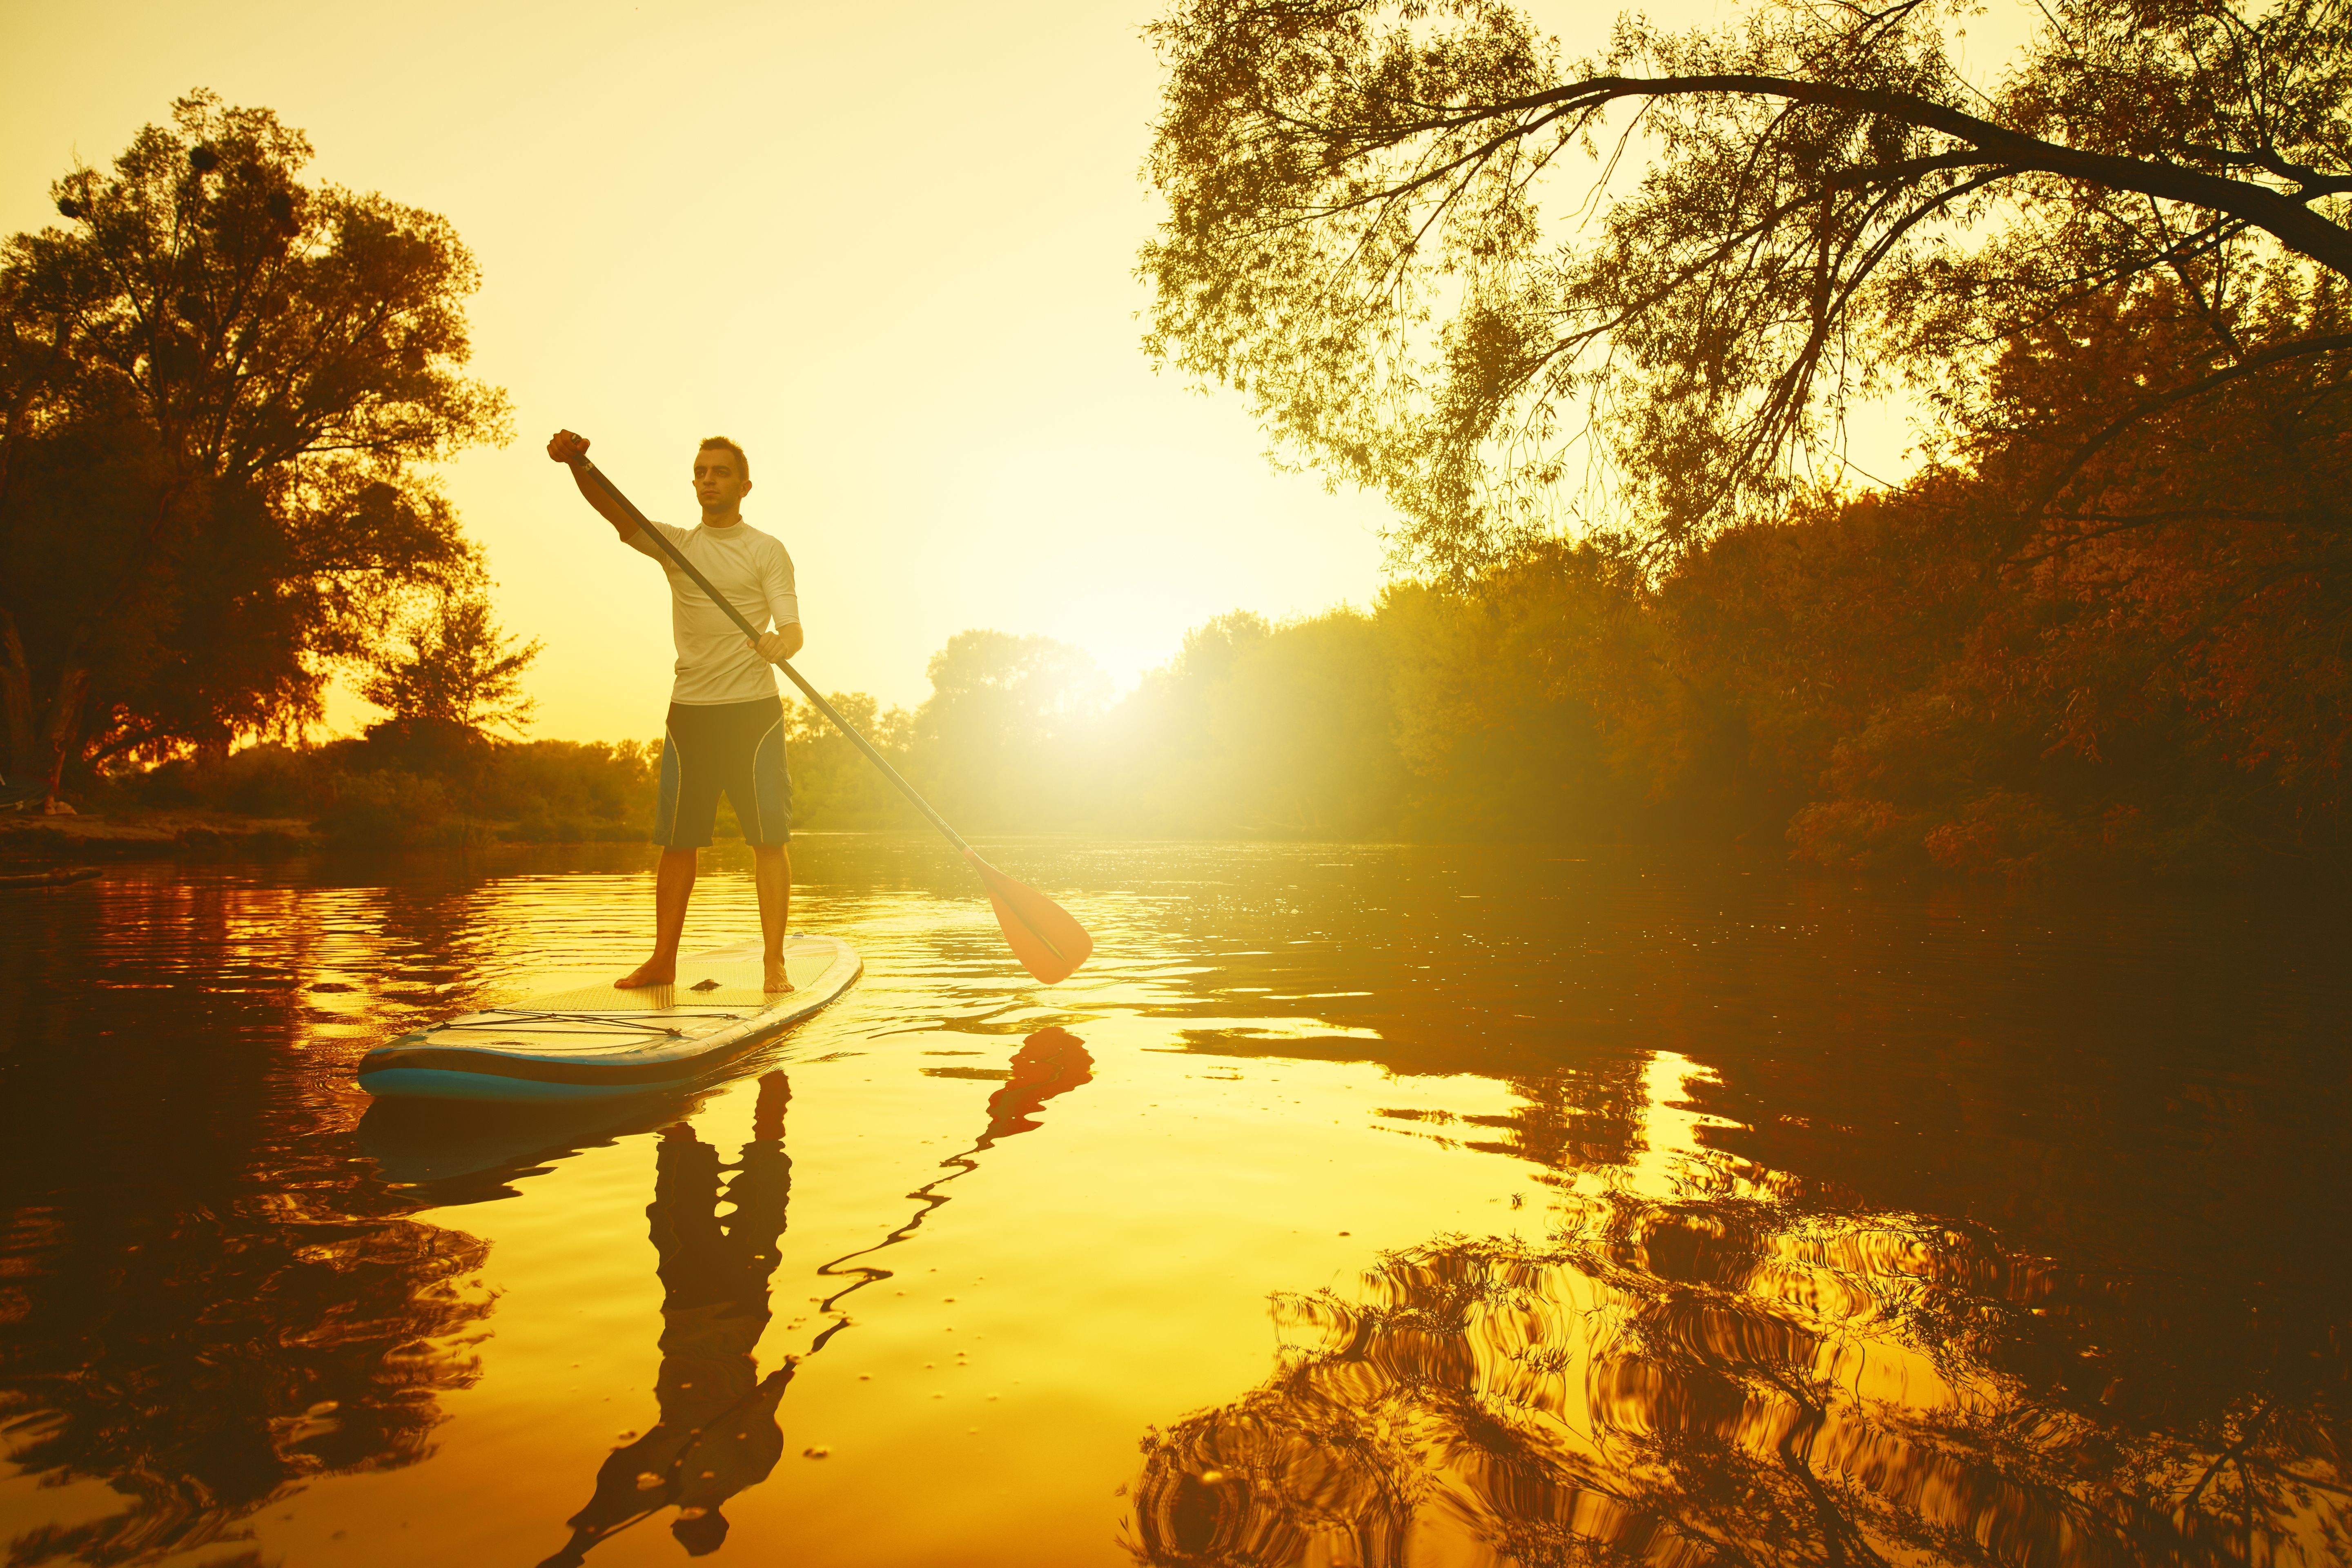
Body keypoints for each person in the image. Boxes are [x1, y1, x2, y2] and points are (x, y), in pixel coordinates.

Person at [546, 429, 801, 991]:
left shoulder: (766, 550)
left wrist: (783, 643)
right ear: (694, 484)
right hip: (691, 714)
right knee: (677, 842)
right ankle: (663, 959)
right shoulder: (676, 545)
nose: (709, 479)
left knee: (768, 840)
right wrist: (578, 464)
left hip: (753, 714)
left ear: (744, 485)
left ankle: (774, 962)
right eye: (701, 472)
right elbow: (615, 511)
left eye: (720, 472)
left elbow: (792, 628)